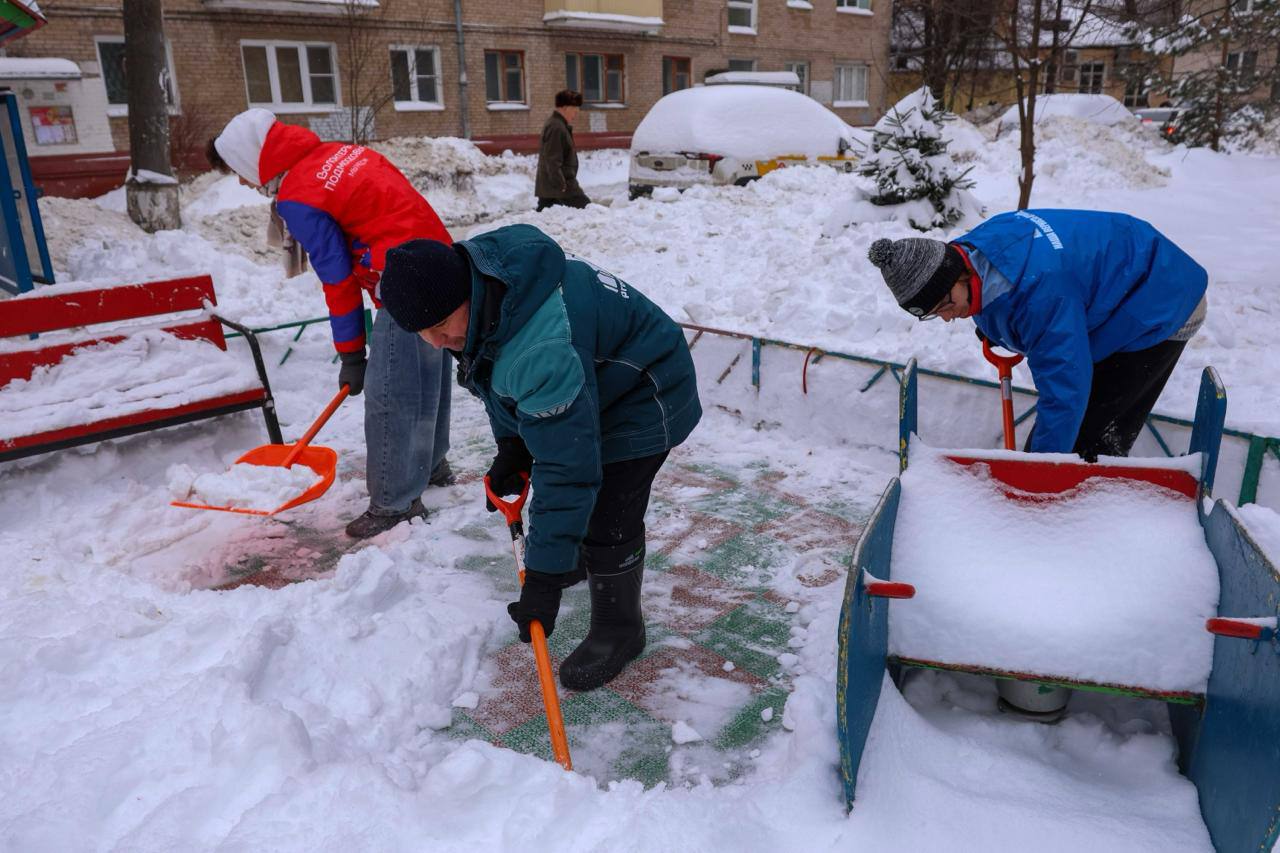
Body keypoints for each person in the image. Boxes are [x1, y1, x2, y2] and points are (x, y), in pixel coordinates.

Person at [377, 224, 701, 691]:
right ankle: (574, 555)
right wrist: (514, 444)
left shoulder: (539, 345)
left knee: (612, 507)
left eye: (440, 325)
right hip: (597, 379)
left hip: (646, 392)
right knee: (579, 491)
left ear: (465, 293)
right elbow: (498, 381)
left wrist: (544, 580)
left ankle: (620, 629)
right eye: (422, 332)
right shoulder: (489, 293)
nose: (435, 341)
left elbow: (569, 468)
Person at [208, 108, 454, 539]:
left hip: (401, 276)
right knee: (426, 370)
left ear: (252, 158)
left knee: (391, 391)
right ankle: (430, 465)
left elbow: (337, 279)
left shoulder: (299, 194)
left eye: (238, 171)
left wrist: (352, 354)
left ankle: (396, 502)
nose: (243, 183)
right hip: (440, 259)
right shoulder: (338, 154)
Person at [869, 209, 1208, 460]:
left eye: (946, 305)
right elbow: (997, 296)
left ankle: (1082, 524)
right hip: (1117, 282)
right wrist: (993, 330)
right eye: (934, 315)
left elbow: (1066, 391)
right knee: (1073, 419)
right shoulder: (972, 250)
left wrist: (1038, 468)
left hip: (1163, 299)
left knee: (1089, 439)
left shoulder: (1043, 296)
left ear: (955, 275)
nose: (945, 319)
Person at [535, 90, 591, 212]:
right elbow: (552, 160)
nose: (576, 114)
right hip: (561, 187)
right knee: (590, 211)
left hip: (554, 187)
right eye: (574, 110)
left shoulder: (558, 125)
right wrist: (562, 185)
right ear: (565, 107)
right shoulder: (556, 127)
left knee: (544, 218)